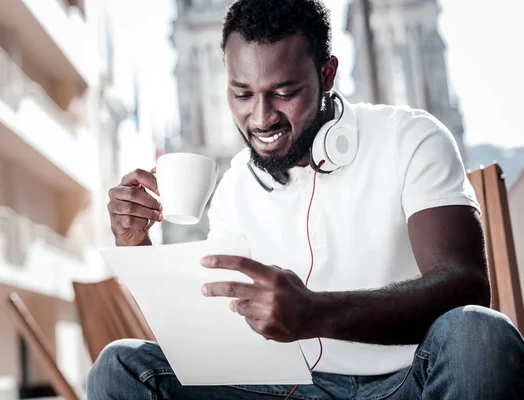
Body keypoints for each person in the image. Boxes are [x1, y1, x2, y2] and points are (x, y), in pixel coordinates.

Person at [91, 0, 524, 398]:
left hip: (409, 381)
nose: (261, 118)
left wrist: (316, 312)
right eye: (242, 94)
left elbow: (465, 285)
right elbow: (212, 338)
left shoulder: (410, 137)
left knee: (479, 333)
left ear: (327, 74)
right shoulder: (233, 185)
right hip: (289, 390)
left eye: (284, 92)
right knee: (121, 365)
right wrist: (138, 248)